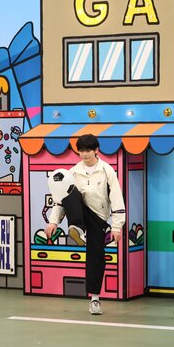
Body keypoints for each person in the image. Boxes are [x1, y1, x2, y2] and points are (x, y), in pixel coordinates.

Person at [45, 134, 125, 315]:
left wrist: (116, 226)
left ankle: (95, 299)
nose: (84, 154)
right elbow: (60, 200)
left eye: (88, 150)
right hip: (78, 212)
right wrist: (53, 222)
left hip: (98, 217)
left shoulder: (107, 170)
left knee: (97, 256)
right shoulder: (72, 172)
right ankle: (78, 228)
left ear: (96, 150)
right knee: (68, 189)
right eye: (81, 151)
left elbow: (116, 198)